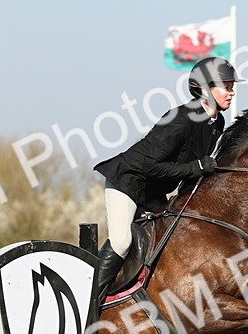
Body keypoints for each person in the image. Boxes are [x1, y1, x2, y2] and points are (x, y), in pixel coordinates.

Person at [92, 56, 240, 300]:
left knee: (169, 240)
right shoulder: (181, 119)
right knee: (121, 242)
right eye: (226, 87)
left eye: (232, 87)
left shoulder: (217, 122)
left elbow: (192, 170)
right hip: (128, 182)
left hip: (154, 192)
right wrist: (197, 167)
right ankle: (87, 301)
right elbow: (151, 166)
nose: (232, 92)